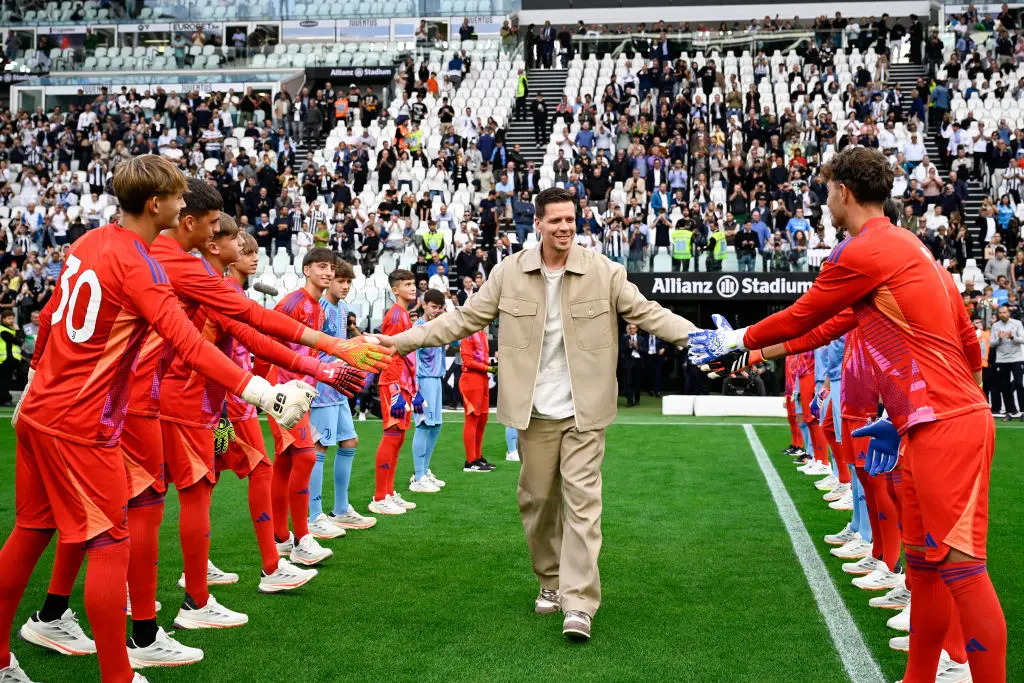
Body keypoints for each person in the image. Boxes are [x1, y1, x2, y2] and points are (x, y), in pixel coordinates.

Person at [688, 146, 1007, 683]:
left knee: (962, 569)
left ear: (844, 191)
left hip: (944, 425)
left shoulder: (863, 250)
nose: (823, 199)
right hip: (932, 422)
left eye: (826, 189)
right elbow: (951, 343)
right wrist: (906, 414)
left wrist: (736, 338)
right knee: (925, 570)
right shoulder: (912, 249)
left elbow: (804, 313)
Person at [0, 155, 318, 683]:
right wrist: (264, 392)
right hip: (87, 420)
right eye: (177, 197)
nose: (186, 206)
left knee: (32, 529)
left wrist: (33, 383)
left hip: (41, 410)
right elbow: (190, 344)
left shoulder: (89, 242)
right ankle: (122, 671)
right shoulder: (140, 262)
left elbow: (52, 316)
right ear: (158, 205)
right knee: (108, 542)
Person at [372, 187, 698, 641]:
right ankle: (550, 580)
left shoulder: (605, 272)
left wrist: (702, 340)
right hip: (534, 413)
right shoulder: (510, 273)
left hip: (585, 413)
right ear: (539, 225)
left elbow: (650, 314)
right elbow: (462, 320)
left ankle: (579, 601)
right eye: (556, 221)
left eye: (571, 220)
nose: (565, 228)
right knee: (538, 502)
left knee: (584, 506)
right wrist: (402, 340)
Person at [220, 231, 321, 593]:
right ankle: (273, 563)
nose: (254, 256)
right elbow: (257, 340)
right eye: (245, 250)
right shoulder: (226, 291)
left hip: (226, 401)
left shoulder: (231, 290)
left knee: (205, 480)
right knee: (263, 467)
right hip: (231, 400)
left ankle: (197, 571)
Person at [307, 258, 378, 534]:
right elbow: (315, 349)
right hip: (323, 385)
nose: (345, 286)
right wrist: (358, 344)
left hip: (340, 385)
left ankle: (340, 509)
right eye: (340, 280)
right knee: (320, 446)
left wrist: (359, 345)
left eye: (348, 282)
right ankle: (314, 516)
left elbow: (344, 347)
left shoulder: (345, 309)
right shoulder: (319, 308)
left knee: (349, 441)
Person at [370, 269, 422, 516]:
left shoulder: (404, 315)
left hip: (402, 384)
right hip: (393, 383)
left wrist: (411, 389)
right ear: (395, 290)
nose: (413, 288)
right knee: (391, 435)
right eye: (407, 284)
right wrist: (395, 389)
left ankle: (389, 492)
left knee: (399, 437)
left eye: (413, 283)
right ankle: (380, 496)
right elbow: (389, 352)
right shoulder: (394, 315)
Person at [409, 288, 448, 493]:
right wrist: (415, 389)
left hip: (437, 379)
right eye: (433, 307)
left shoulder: (440, 325)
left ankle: (424, 470)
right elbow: (413, 359)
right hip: (424, 380)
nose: (435, 311)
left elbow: (455, 344)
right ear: (424, 305)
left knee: (436, 426)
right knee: (424, 425)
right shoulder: (419, 327)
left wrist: (446, 319)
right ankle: (418, 476)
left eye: (439, 308)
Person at [460, 322, 496, 472]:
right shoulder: (468, 333)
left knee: (482, 418)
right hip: (472, 379)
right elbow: (467, 361)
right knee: (473, 418)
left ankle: (478, 457)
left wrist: (491, 365)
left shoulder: (482, 333)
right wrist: (488, 367)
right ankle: (470, 461)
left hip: (483, 378)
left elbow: (481, 358)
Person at [990, 304, 1024, 420]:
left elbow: (1023, 339)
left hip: (1017, 358)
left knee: (1019, 384)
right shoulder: (995, 326)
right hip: (1002, 360)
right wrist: (999, 338)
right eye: (1000, 313)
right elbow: (992, 344)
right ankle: (1011, 411)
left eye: (1004, 312)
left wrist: (1012, 337)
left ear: (1008, 313)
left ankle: (1023, 412)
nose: (1002, 314)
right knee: (1004, 386)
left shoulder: (1017, 323)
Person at [0, 309, 23, 405]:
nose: (12, 320)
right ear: (3, 319)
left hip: (12, 359)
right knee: (4, 380)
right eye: (9, 318)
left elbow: (21, 339)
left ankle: (6, 398)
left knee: (6, 380)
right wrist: (17, 330)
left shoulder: (10, 330)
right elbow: (18, 341)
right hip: (6, 359)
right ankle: (4, 399)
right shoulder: (3, 330)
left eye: (13, 318)